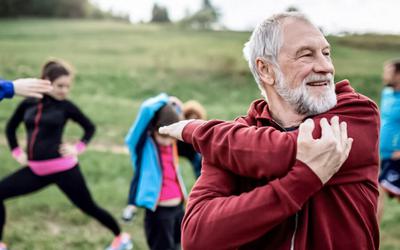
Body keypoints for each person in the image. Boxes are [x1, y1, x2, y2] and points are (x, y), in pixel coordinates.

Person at [159, 12, 380, 249]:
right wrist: (302, 180)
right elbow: (197, 236)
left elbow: (280, 151)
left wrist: (198, 131)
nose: (326, 66)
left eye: (326, 53)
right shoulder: (234, 138)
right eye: (306, 55)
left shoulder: (357, 112)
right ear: (266, 70)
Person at [0, 59, 132, 250]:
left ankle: (121, 238)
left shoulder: (66, 107)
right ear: (46, 81)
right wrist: (16, 151)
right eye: (60, 85)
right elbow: (11, 128)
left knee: (89, 207)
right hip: (36, 171)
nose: (64, 90)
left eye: (67, 86)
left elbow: (90, 127)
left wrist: (77, 148)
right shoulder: (28, 103)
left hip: (64, 169)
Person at [124, 93, 187, 250]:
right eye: (163, 136)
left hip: (179, 208)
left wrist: (176, 106)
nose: (168, 141)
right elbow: (146, 108)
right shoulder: (141, 146)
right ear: (153, 129)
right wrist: (167, 99)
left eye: (171, 137)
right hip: (159, 213)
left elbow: (180, 117)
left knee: (181, 246)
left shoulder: (172, 144)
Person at [377, 59, 400, 221]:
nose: (384, 76)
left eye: (389, 72)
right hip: (383, 154)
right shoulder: (387, 93)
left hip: (396, 156)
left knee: (377, 191)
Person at [177, 100, 207, 178]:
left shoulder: (200, 132)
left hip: (193, 152)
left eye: (195, 118)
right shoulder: (179, 131)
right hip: (181, 147)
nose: (192, 120)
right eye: (189, 118)